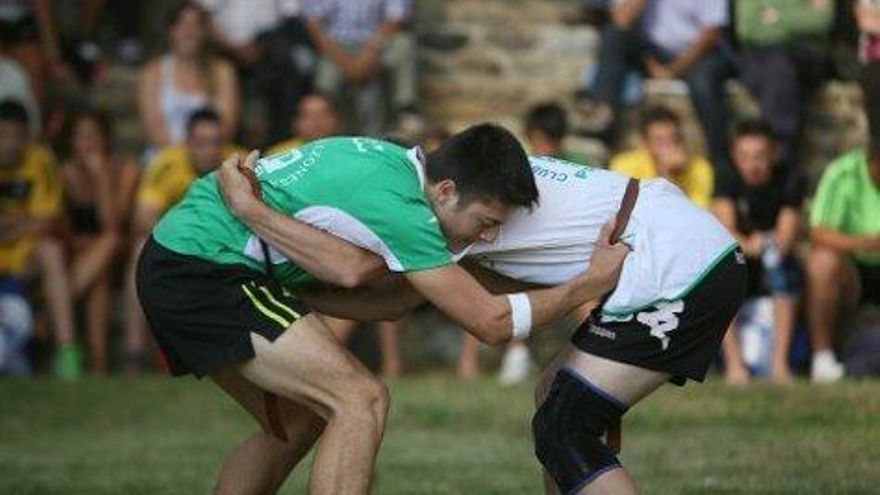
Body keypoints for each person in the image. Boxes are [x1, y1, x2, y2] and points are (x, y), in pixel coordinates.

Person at [216, 148, 746, 495]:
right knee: (554, 399)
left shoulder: (446, 206)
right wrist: (296, 292)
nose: (490, 234)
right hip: (677, 250)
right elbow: (400, 299)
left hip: (675, 263)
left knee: (566, 425)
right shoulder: (457, 196)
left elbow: (483, 320)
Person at [138, 125, 628, 494]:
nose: (488, 237)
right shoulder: (404, 210)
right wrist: (589, 282)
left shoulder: (395, 169)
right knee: (360, 399)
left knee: (294, 423)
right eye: (485, 221)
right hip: (201, 265)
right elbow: (484, 320)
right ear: (445, 191)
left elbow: (395, 299)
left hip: (186, 257)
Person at [123, 108, 241, 373]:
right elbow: (143, 221)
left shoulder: (239, 163)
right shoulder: (165, 164)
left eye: (215, 144)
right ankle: (133, 352)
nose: (209, 151)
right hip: (175, 248)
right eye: (201, 144)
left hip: (225, 249)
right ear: (187, 143)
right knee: (140, 248)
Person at [580, 0, 733, 171]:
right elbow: (621, 20)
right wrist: (650, 62)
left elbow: (713, 32)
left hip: (699, 55)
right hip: (652, 52)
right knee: (613, 37)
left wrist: (674, 69)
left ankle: (721, 165)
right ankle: (604, 114)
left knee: (704, 84)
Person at [712, 120, 805, 385]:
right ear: (734, 156)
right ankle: (734, 366)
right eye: (745, 157)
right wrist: (753, 244)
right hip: (739, 258)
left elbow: (785, 239)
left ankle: (779, 365)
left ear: (773, 154)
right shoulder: (725, 175)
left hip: (771, 261)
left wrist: (758, 244)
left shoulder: (790, 178)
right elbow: (725, 232)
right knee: (720, 275)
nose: (752, 165)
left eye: (760, 157)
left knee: (780, 269)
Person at [0, 99, 80, 379]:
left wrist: (9, 226)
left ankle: (67, 352)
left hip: (23, 258)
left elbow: (47, 221)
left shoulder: (40, 160)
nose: (10, 144)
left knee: (51, 250)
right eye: (3, 135)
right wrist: (23, 220)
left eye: (16, 136)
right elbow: (35, 218)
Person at [59, 109, 139, 374]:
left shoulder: (126, 170)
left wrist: (101, 177)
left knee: (109, 241)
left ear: (106, 140)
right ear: (71, 141)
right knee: (99, 281)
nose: (88, 144)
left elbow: (113, 225)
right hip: (83, 259)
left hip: (121, 256)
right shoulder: (64, 173)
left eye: (94, 137)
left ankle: (55, 311)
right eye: (81, 137)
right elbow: (61, 230)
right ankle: (100, 366)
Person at [806, 140, 880, 383]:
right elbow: (817, 233)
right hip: (854, 270)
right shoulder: (843, 172)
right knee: (822, 262)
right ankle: (823, 359)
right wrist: (863, 243)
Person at [734, 0, 833, 168]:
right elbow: (747, 28)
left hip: (807, 58)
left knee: (781, 70)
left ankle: (776, 159)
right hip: (760, 58)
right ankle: (774, 158)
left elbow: (821, 22)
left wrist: (776, 19)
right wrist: (796, 22)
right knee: (779, 70)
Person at [304, 0, 421, 136]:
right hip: (335, 47)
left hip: (377, 43)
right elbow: (313, 24)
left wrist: (370, 53)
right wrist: (346, 62)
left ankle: (405, 109)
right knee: (325, 80)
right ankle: (326, 124)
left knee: (403, 45)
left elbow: (396, 17)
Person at [137, 1, 239, 150]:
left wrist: (203, 156)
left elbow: (227, 126)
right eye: (181, 25)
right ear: (171, 30)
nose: (188, 31)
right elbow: (154, 129)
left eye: (195, 25)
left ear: (205, 32)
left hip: (212, 155)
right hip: (166, 155)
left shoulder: (222, 71)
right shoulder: (153, 73)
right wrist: (183, 159)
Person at [611, 105, 714, 207]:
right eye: (659, 141)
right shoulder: (624, 164)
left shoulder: (699, 167)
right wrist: (664, 172)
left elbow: (696, 213)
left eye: (673, 138)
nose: (668, 146)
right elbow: (628, 210)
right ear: (644, 144)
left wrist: (674, 177)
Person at [267, 93, 343, 155]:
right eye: (308, 116)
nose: (316, 122)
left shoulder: (350, 149)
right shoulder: (278, 155)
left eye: (322, 115)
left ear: (337, 119)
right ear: (296, 122)